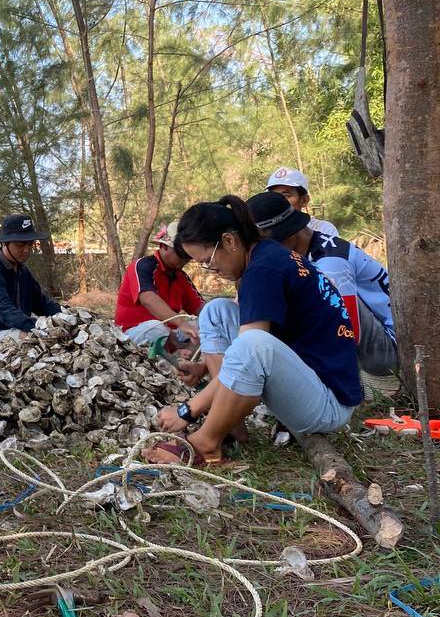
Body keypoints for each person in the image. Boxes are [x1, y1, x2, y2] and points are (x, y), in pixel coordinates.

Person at [146, 196, 360, 467]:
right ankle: (230, 420)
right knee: (216, 311)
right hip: (307, 378)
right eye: (201, 264)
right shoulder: (262, 256)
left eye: (208, 260)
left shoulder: (263, 270)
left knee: (253, 344)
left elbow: (252, 350)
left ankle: (206, 443)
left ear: (229, 241)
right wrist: (204, 367)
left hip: (328, 403)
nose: (211, 270)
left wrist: (187, 410)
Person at [247, 191, 400, 397]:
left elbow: (347, 329)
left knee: (322, 300)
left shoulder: (330, 263)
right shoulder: (303, 254)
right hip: (370, 341)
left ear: (289, 234)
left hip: (386, 351)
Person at [0, 214, 62, 354]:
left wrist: (66, 315)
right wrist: (38, 327)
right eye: (20, 245)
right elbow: (6, 311)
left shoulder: (23, 271)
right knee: (30, 338)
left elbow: (42, 303)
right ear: (5, 243)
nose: (26, 250)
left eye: (30, 244)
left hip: (18, 330)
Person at [114, 220, 204, 352]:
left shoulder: (181, 278)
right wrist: (181, 323)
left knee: (206, 322)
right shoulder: (142, 266)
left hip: (170, 334)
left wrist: (216, 314)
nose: (186, 259)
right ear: (164, 246)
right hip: (133, 333)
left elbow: (200, 308)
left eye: (188, 255)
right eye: (182, 253)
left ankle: (184, 354)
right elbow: (148, 300)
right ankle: (177, 352)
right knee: (156, 328)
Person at [265, 167, 338, 236]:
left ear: (304, 200)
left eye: (286, 196)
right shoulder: (267, 236)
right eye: (273, 196)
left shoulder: (324, 230)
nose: (278, 201)